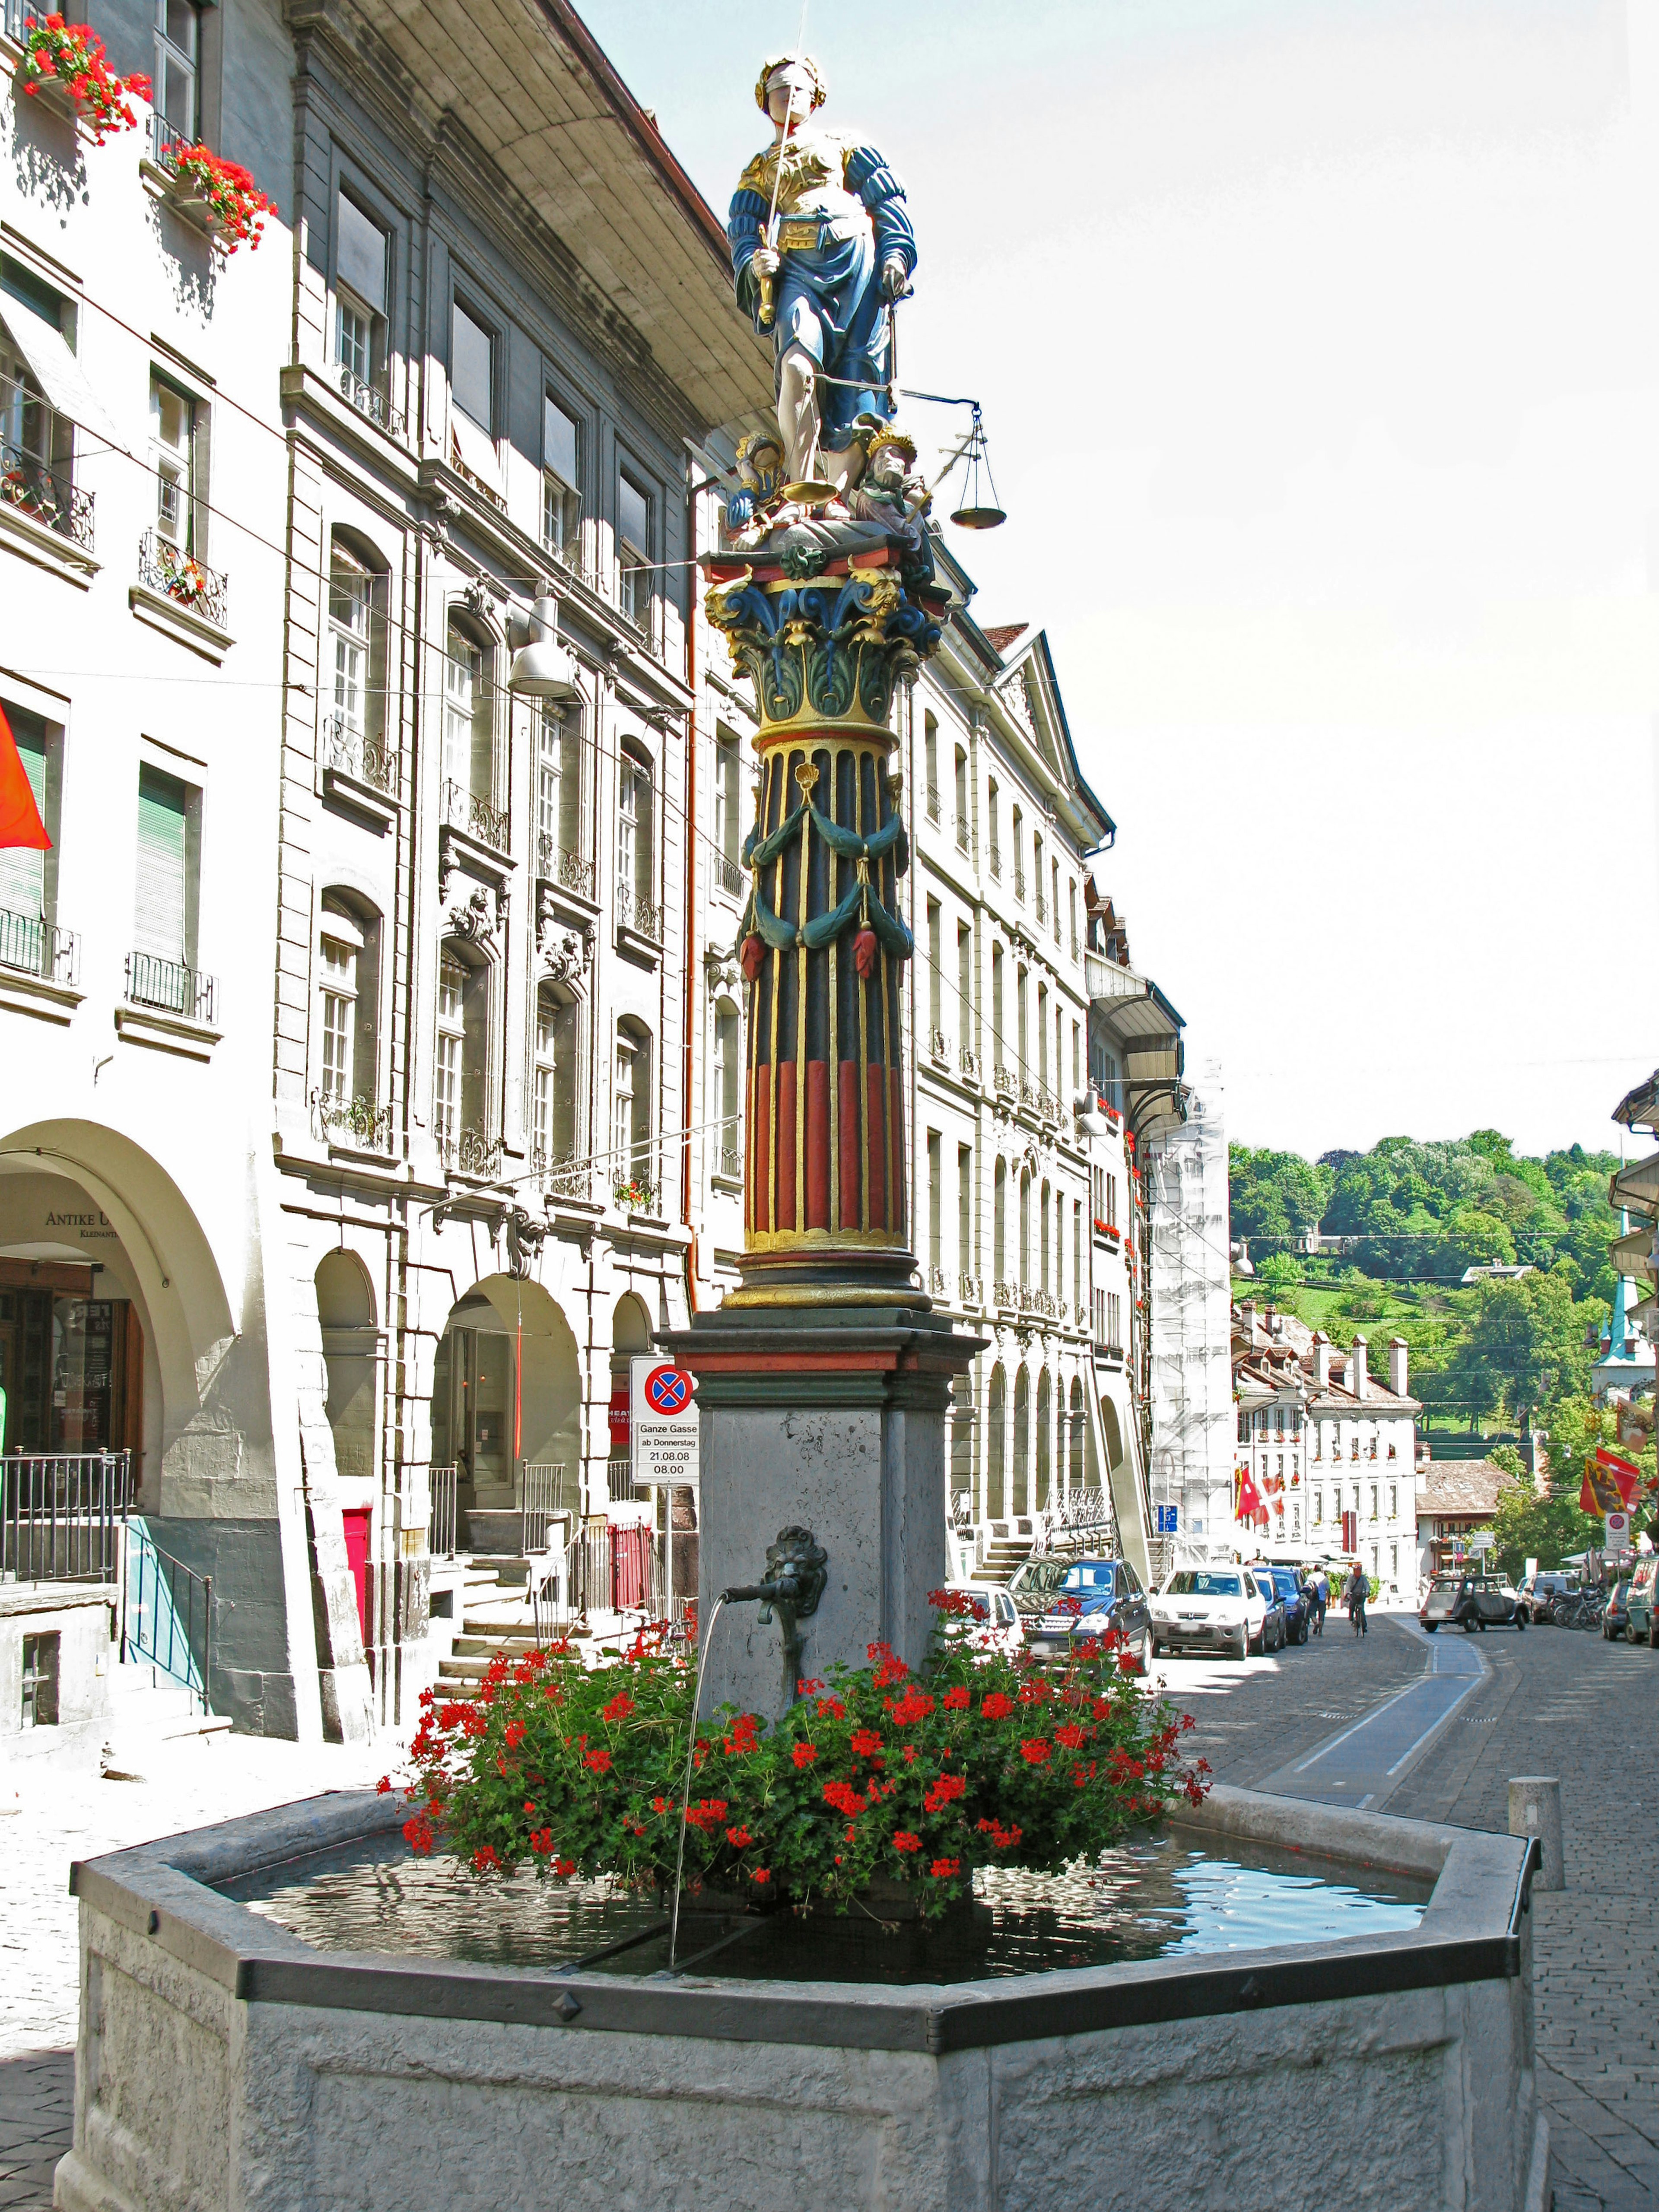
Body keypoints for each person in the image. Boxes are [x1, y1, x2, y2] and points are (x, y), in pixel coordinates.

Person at [728, 53, 917, 495]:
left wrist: (896, 256)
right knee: (797, 364)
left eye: (799, 88)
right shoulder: (759, 171)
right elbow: (743, 232)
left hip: (858, 265)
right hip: (799, 271)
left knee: (857, 371)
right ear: (764, 101)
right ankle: (804, 484)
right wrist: (756, 265)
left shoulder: (844, 144)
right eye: (780, 88)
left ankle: (839, 492)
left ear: (815, 98)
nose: (790, 95)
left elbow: (886, 199)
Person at [1346, 1561, 1369, 1638]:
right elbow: (1348, 1586)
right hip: (1354, 1595)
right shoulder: (1351, 1578)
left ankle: (1364, 1626)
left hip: (1361, 1595)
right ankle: (1352, 1619)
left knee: (1362, 1610)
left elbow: (1367, 1585)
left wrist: (1367, 1592)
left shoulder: (1363, 1578)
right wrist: (1348, 1593)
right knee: (1352, 1605)